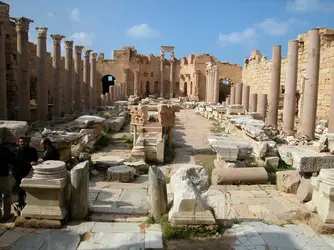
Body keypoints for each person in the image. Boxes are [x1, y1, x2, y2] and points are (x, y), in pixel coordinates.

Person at [14, 137, 38, 209]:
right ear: (18, 143)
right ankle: (20, 203)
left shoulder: (32, 150)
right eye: (21, 142)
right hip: (19, 172)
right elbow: (15, 162)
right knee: (20, 188)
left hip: (29, 171)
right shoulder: (16, 151)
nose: (22, 143)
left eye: (23, 141)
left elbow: (35, 159)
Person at [0, 140, 17, 222]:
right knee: (7, 194)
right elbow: (13, 160)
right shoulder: (4, 150)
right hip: (3, 175)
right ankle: (6, 215)